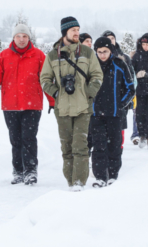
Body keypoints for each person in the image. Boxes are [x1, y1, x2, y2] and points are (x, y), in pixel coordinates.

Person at [0, 23, 52, 185]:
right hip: (10, 106)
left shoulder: (39, 56)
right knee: (16, 139)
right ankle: (18, 171)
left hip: (32, 106)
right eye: (18, 36)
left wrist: (52, 101)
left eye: (24, 36)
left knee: (29, 138)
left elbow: (46, 80)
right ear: (13, 38)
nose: (21, 39)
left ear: (29, 38)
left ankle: (31, 171)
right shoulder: (4, 56)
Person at [39, 17, 103, 191]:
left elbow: (97, 75)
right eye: (73, 30)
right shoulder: (53, 55)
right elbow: (44, 79)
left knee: (80, 146)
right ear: (64, 32)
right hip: (62, 108)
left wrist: (88, 93)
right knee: (66, 148)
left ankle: (79, 183)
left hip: (83, 107)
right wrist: (56, 92)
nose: (77, 33)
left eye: (78, 29)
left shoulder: (87, 53)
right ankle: (70, 181)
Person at [91, 37, 135, 187]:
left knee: (114, 146)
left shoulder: (119, 64)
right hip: (96, 115)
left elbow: (131, 88)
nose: (102, 55)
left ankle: (113, 175)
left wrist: (121, 104)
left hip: (115, 115)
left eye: (105, 51)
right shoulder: (91, 65)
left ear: (111, 51)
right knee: (98, 146)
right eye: (99, 52)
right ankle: (100, 177)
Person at [101, 31, 136, 142]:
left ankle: (118, 146)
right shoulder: (98, 58)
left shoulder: (124, 57)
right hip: (103, 99)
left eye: (112, 38)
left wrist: (128, 98)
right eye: (108, 38)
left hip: (121, 97)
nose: (111, 40)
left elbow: (131, 78)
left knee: (119, 125)